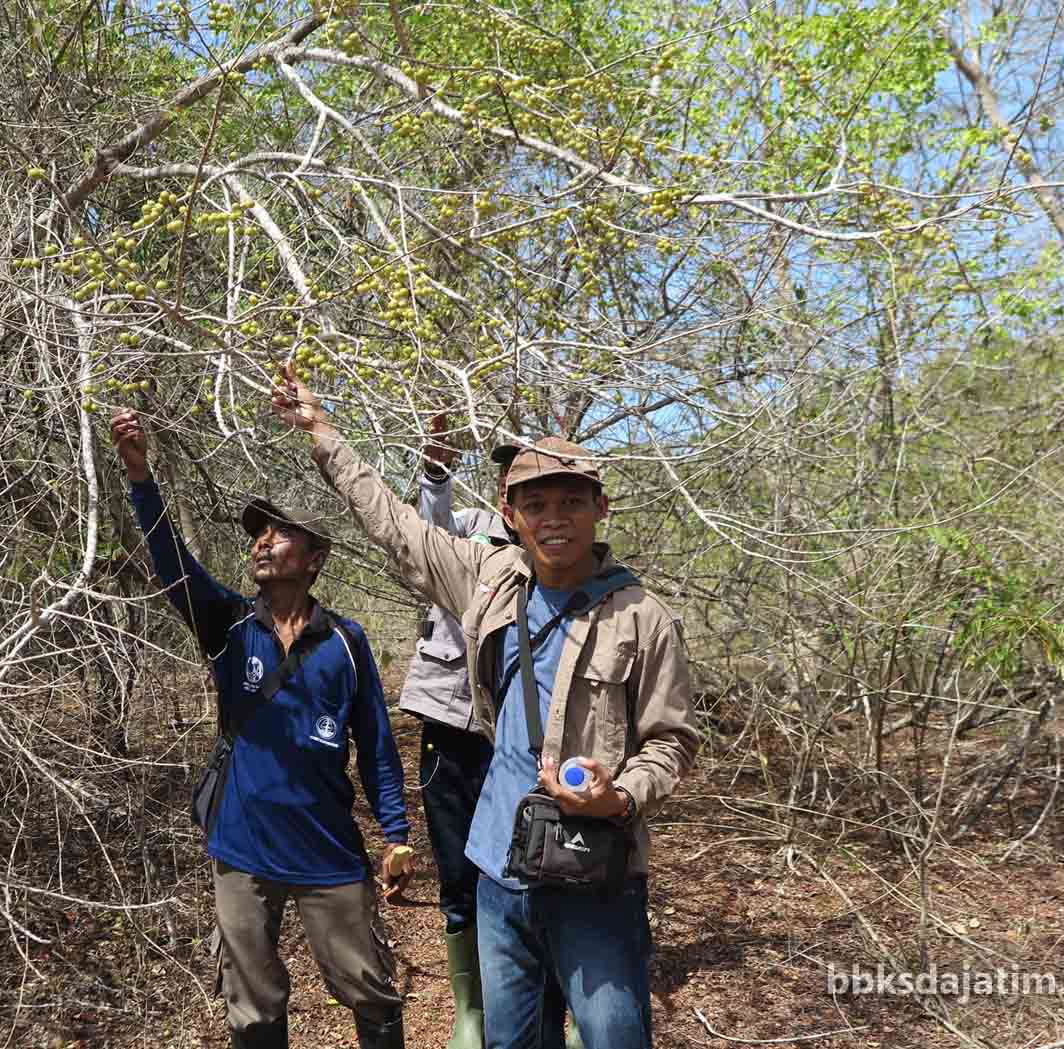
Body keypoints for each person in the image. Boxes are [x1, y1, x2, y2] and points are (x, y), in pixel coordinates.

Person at [270, 369, 700, 1049]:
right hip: (499, 862)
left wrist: (618, 796)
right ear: (510, 512)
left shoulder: (642, 617)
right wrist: (323, 436)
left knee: (614, 1035)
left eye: (569, 501)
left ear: (600, 509)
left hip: (595, 873)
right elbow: (395, 525)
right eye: (535, 504)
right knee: (511, 1040)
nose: (552, 517)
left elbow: (672, 741)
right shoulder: (490, 577)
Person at [110, 407, 412, 1049]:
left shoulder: (348, 644)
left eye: (279, 534)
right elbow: (173, 564)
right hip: (242, 848)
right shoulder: (226, 626)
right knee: (250, 1000)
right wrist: (142, 477)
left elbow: (378, 746)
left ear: (315, 558)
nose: (262, 542)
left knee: (367, 986)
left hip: (326, 848)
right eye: (258, 535)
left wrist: (396, 833)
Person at [398, 421, 514, 1049]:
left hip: (521, 738)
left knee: (531, 865)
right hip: (450, 717)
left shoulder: (559, 554)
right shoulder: (470, 527)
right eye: (510, 473)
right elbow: (427, 537)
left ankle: (536, 995)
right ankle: (469, 1006)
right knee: (454, 863)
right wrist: (435, 473)